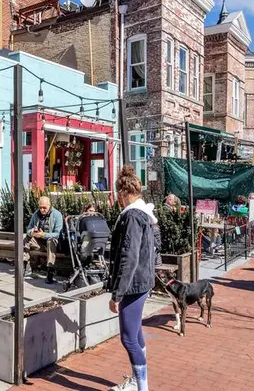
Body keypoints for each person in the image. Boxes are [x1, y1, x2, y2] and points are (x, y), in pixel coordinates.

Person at [107, 166, 158, 391]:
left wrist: (117, 294)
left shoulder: (131, 217)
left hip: (133, 284)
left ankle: (141, 386)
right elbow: (155, 245)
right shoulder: (145, 214)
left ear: (123, 193)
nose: (117, 199)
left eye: (117, 194)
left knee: (128, 338)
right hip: (143, 281)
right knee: (135, 334)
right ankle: (139, 381)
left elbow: (129, 257)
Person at [24, 196, 64, 284]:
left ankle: (50, 272)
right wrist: (32, 232)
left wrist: (44, 235)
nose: (42, 210)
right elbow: (28, 229)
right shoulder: (36, 214)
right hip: (39, 242)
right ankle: (25, 265)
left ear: (49, 205)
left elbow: (58, 234)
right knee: (24, 237)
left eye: (44, 208)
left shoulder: (57, 214)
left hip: (53, 244)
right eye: (40, 207)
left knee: (51, 241)